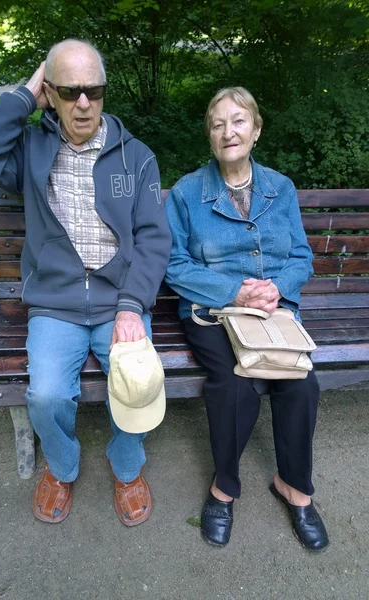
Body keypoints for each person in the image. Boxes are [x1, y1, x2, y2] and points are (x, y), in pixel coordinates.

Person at [0, 39, 171, 526]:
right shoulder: (31, 151)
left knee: (137, 384)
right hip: (56, 304)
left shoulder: (136, 156)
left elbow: (156, 239)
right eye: (68, 90)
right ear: (50, 93)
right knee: (47, 395)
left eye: (92, 90)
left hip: (121, 300)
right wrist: (26, 94)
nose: (82, 103)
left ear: (104, 93)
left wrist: (134, 307)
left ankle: (127, 467)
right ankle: (61, 467)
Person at [164, 86, 329, 551]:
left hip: (272, 312)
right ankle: (224, 488)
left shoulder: (281, 187)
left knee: (300, 381)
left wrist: (277, 288)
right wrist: (234, 290)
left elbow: (301, 257)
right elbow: (175, 266)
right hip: (213, 311)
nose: (227, 131)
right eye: (217, 124)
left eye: (238, 121)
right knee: (235, 385)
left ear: (255, 131)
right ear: (210, 137)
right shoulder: (187, 192)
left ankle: (294, 486)